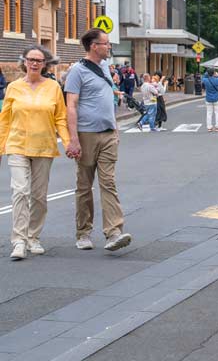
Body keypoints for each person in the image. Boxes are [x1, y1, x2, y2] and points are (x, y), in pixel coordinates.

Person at [65, 29, 132, 252]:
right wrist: (73, 139)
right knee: (84, 186)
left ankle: (113, 232)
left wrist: (114, 127)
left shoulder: (105, 67)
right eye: (106, 43)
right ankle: (83, 233)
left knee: (108, 183)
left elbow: (106, 98)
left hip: (108, 133)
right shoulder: (77, 71)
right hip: (86, 135)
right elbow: (71, 106)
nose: (109, 47)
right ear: (94, 46)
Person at [0, 46, 70, 260]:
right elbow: (5, 119)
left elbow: (60, 117)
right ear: (24, 62)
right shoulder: (13, 87)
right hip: (17, 145)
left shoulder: (53, 87)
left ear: (45, 64)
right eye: (31, 59)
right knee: (20, 191)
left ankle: (33, 236)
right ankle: (19, 240)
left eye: (39, 60)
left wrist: (68, 142)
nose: (34, 63)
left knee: (39, 196)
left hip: (44, 146)